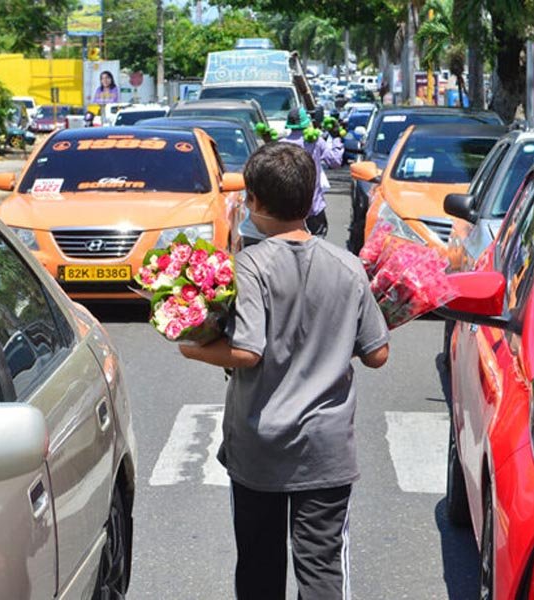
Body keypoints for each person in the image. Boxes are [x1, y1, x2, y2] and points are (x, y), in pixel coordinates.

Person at [179, 142, 390, 599]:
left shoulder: (250, 267)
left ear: (252, 201)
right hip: (326, 451)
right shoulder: (349, 267)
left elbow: (247, 351)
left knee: (258, 565)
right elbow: (377, 354)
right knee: (321, 570)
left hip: (259, 446)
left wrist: (191, 348)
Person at [281, 106, 343, 238]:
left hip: (289, 212)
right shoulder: (315, 142)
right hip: (313, 208)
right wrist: (336, 137)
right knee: (317, 247)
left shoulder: (281, 145)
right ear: (307, 123)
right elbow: (335, 161)